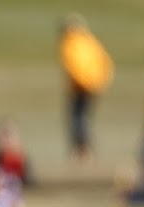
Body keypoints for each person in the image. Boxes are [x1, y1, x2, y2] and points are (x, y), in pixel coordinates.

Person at [58, 14, 113, 162]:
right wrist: (101, 80)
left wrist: (82, 83)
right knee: (83, 117)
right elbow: (104, 60)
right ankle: (84, 149)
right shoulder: (88, 40)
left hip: (82, 86)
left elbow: (73, 67)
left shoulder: (70, 43)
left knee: (78, 118)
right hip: (93, 85)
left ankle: (83, 149)